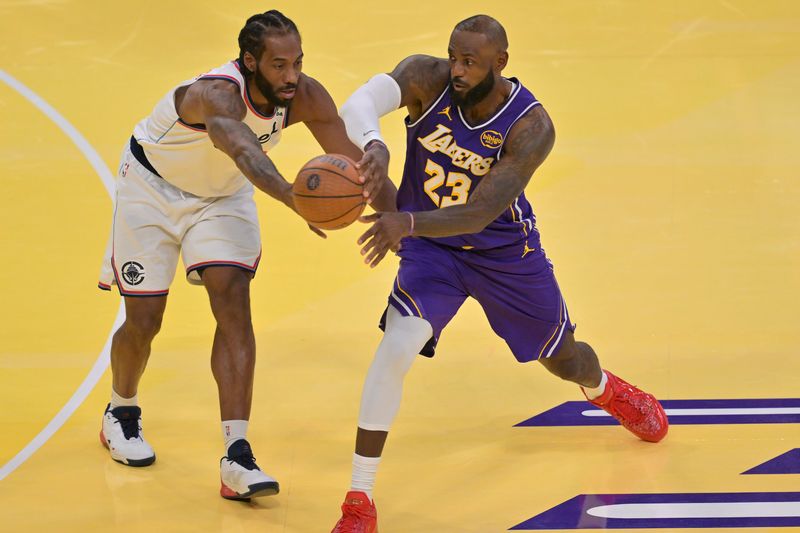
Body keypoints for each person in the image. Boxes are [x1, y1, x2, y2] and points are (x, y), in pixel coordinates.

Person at [331, 14, 668, 531]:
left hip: (503, 252)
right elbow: (358, 104)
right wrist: (374, 144)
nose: (459, 71)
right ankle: (359, 498)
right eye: (455, 57)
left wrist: (405, 220)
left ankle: (603, 388)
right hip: (432, 251)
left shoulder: (531, 125)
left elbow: (481, 211)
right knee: (395, 348)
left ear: (501, 63)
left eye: (471, 62)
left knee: (564, 358)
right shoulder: (426, 76)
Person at [96, 10, 394, 501]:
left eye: (297, 62)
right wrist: (293, 199)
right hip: (152, 189)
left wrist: (403, 221)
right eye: (279, 65)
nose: (292, 76)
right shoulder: (215, 95)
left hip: (223, 198)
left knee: (233, 302)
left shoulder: (305, 95)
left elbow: (358, 167)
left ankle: (237, 456)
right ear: (250, 61)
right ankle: (120, 411)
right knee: (145, 319)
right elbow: (243, 150)